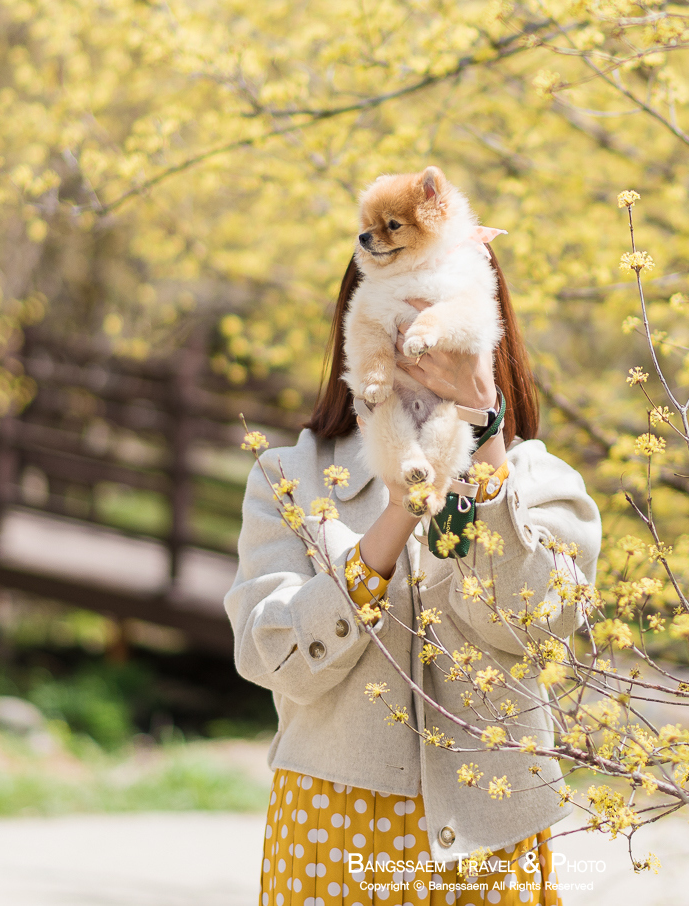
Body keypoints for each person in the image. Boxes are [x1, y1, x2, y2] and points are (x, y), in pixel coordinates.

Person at [228, 247, 600, 906]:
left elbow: (534, 625)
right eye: (398, 316)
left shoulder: (540, 483)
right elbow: (273, 659)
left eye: (446, 321)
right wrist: (399, 510)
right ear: (359, 326)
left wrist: (483, 439)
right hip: (333, 832)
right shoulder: (289, 478)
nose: (421, 344)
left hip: (492, 837)